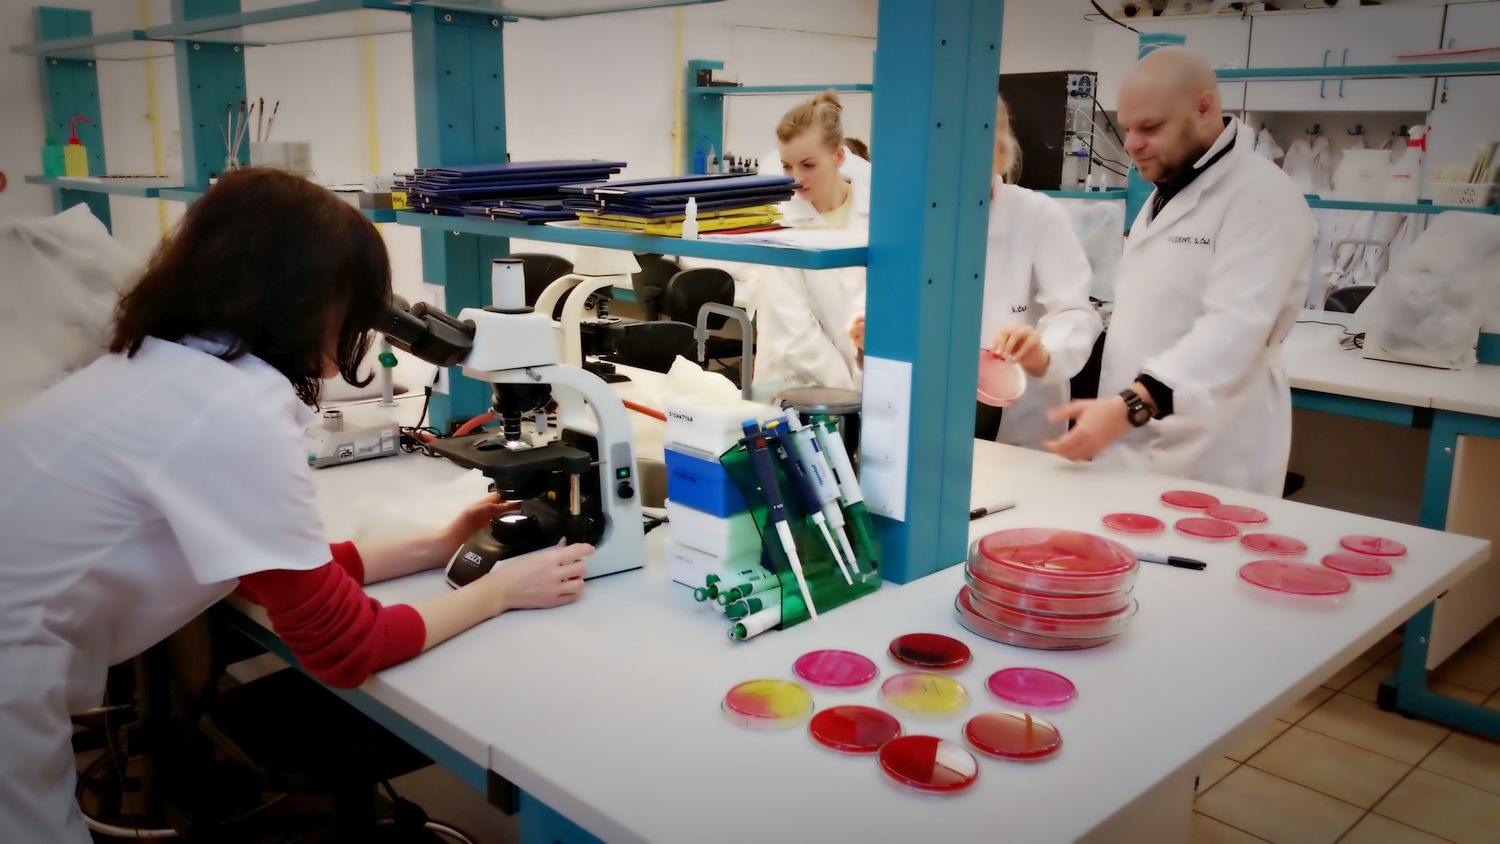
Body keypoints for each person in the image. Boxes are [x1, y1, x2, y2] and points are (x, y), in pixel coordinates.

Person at [0, 168, 594, 842]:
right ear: (315, 301)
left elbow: (272, 568)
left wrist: (438, 545)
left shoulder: (164, 369)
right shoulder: (230, 411)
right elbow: (346, 647)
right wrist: (502, 592)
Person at [1045, 48, 1315, 495]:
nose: (1131, 144)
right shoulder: (1169, 189)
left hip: (1211, 446)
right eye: (1127, 128)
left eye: (1149, 127)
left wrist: (1130, 404)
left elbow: (1236, 326)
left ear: (1204, 108)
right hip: (1136, 437)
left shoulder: (1264, 197)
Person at [850, 96, 1101, 450]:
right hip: (929, 414)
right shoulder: (909, 220)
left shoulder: (1036, 215)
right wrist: (873, 333)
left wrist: (1042, 352)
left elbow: (1074, 312)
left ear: (998, 152)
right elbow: (879, 302)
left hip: (1020, 425)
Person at [750, 91, 870, 390]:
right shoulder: (779, 224)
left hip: (869, 378)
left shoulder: (878, 214)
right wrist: (849, 392)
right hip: (801, 384)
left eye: (808, 165)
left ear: (838, 157)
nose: (796, 178)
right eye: (787, 166)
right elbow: (795, 335)